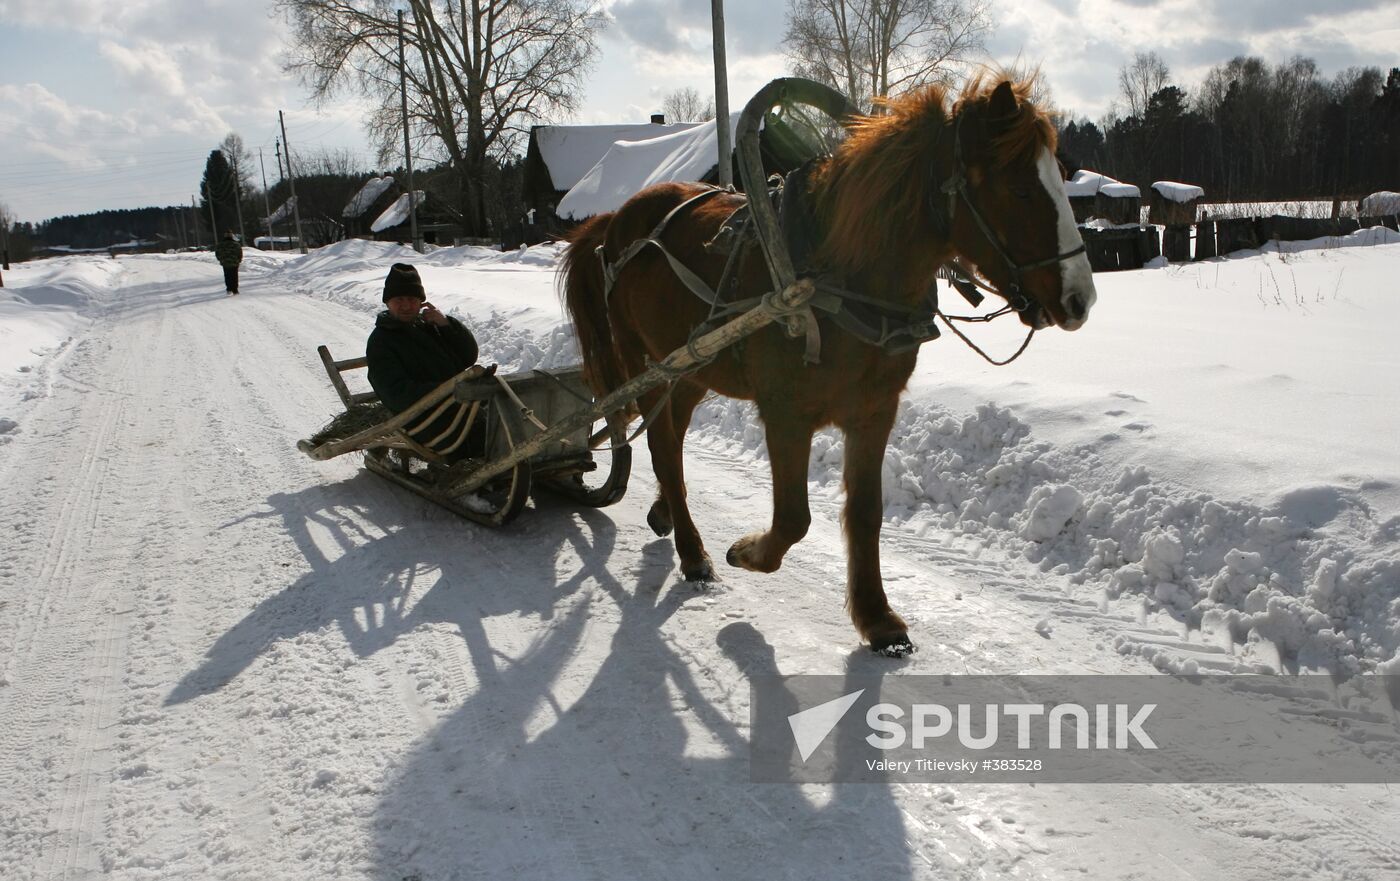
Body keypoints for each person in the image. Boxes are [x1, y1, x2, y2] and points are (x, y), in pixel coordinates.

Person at [366, 263, 487, 461]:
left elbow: (468, 357)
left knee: (510, 413)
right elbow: (395, 394)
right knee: (488, 432)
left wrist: (446, 325)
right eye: (399, 299)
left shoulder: (429, 327)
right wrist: (447, 390)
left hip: (456, 406)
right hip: (422, 420)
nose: (406, 305)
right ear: (388, 302)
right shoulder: (381, 341)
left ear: (421, 302)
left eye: (412, 299)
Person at [215, 230, 243, 295]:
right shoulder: (236, 244)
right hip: (234, 262)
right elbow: (240, 253)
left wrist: (220, 259)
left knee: (227, 275)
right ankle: (235, 289)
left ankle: (229, 288)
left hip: (225, 262)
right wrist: (239, 260)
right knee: (234, 276)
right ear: (231, 236)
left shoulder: (220, 244)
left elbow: (217, 253)